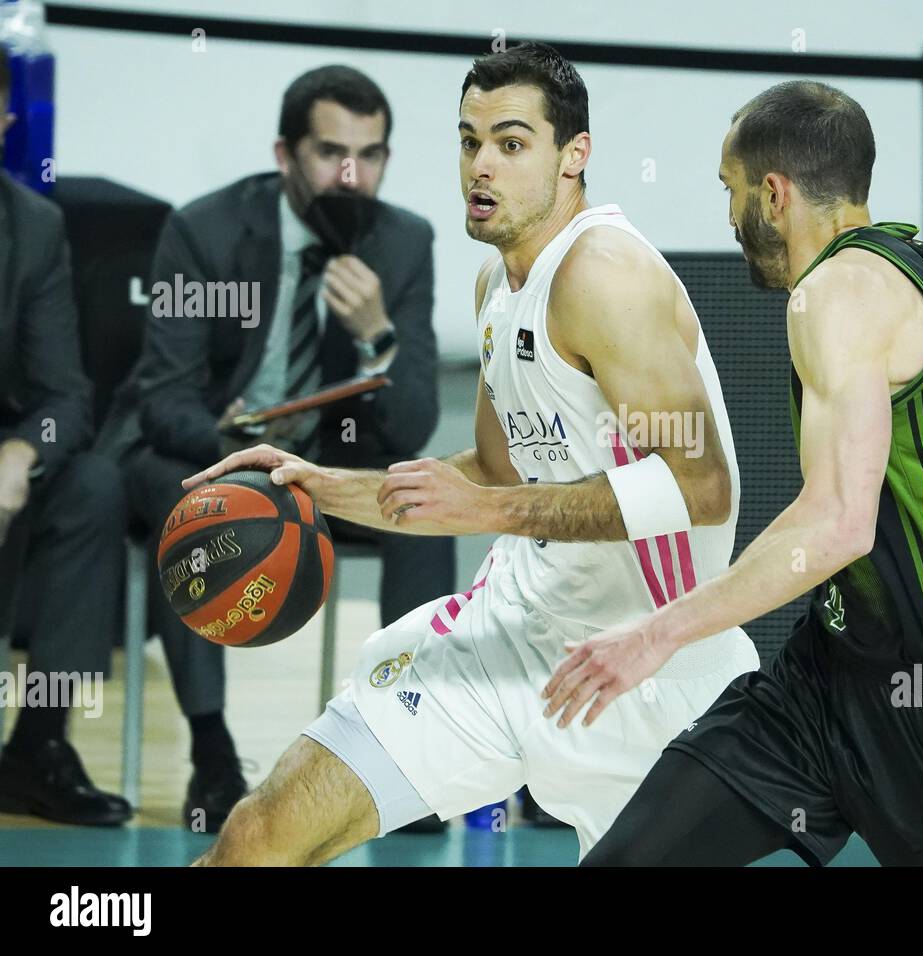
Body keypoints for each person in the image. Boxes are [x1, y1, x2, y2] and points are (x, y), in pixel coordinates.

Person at [184, 41, 758, 865]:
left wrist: (489, 512)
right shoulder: (497, 283)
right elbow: (494, 468)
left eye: (512, 143)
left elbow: (702, 488)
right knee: (258, 836)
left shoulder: (606, 276)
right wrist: (316, 488)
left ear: (574, 158)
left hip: (644, 672)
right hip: (510, 633)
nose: (480, 166)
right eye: (468, 140)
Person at [547, 80, 923, 867]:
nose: (727, 215)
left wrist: (659, 632)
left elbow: (837, 524)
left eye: (731, 189)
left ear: (774, 194)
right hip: (822, 686)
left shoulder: (833, 295)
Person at [97, 64, 453, 830]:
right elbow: (162, 400)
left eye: (373, 155)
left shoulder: (403, 241)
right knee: (188, 493)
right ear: (285, 154)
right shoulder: (208, 229)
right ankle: (213, 753)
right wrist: (238, 446)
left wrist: (378, 339)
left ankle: (408, 748)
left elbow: (414, 426)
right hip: (209, 452)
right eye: (330, 153)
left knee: (422, 500)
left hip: (322, 468)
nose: (351, 176)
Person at [0, 55, 132, 826]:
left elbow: (64, 395)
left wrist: (24, 454)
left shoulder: (33, 227)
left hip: (5, 454)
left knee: (90, 485)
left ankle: (36, 744)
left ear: (7, 124)